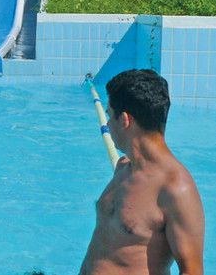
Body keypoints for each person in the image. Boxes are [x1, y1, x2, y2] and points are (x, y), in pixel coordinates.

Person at [79, 69, 204, 275]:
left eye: (109, 116)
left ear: (125, 120)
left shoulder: (175, 189)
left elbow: (192, 271)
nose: (108, 125)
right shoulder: (123, 168)